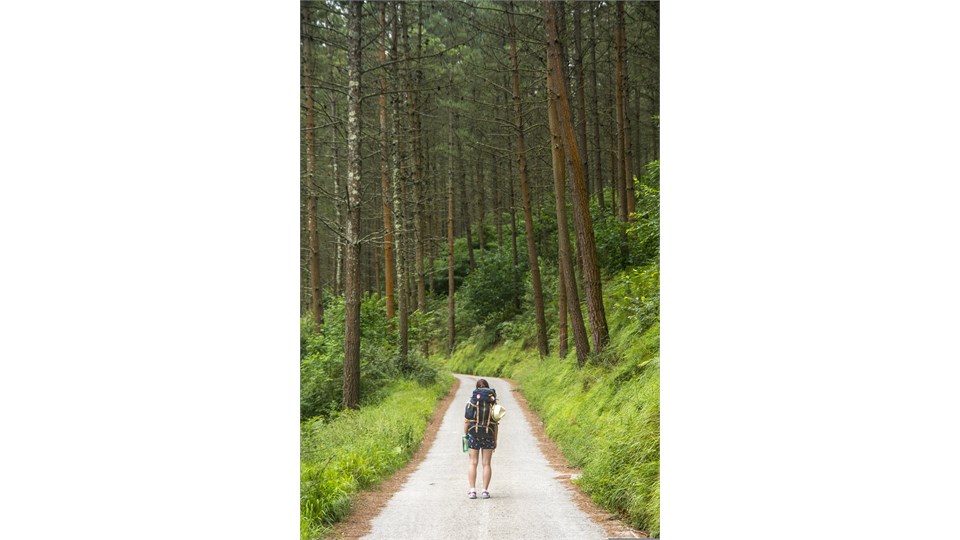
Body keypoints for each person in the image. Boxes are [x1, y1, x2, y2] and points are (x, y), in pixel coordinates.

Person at [464, 378, 499, 499]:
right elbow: (495, 424)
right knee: (486, 464)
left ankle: (472, 491)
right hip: (488, 435)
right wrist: (495, 439)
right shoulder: (492, 403)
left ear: (476, 388)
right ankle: (485, 491)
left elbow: (466, 421)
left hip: (474, 434)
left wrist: (466, 435)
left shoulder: (471, 401)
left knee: (473, 463)